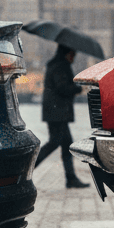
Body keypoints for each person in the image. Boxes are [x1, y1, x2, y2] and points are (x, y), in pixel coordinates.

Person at [34, 44, 89, 188]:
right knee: (55, 142)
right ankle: (25, 170)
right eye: (73, 54)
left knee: (66, 144)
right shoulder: (60, 66)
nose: (74, 57)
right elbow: (62, 87)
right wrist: (78, 88)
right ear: (66, 53)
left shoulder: (55, 64)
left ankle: (71, 178)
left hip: (55, 110)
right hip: (57, 111)